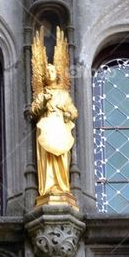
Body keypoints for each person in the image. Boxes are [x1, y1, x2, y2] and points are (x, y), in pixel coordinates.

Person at [29, 61, 77, 201]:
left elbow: (73, 110)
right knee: (47, 159)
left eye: (52, 71)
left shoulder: (64, 94)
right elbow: (33, 110)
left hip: (60, 129)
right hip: (46, 128)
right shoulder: (42, 94)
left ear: (57, 75)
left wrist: (68, 114)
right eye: (48, 72)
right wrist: (43, 103)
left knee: (61, 157)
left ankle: (62, 187)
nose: (50, 74)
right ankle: (48, 187)